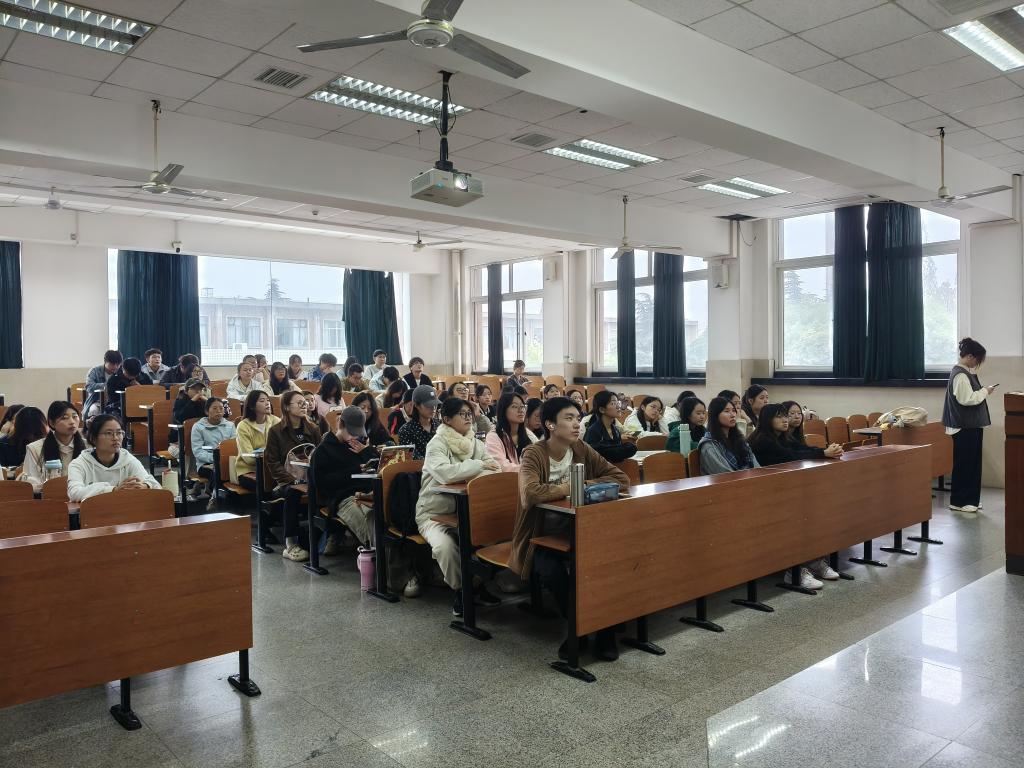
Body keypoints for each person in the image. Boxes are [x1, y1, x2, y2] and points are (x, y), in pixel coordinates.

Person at [509, 397, 630, 661]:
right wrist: (570, 487)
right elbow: (530, 494)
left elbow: (621, 479)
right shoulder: (534, 453)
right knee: (552, 571)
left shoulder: (581, 448)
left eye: (578, 418)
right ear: (550, 425)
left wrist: (584, 484)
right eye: (569, 418)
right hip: (541, 536)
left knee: (606, 564)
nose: (576, 424)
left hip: (583, 531)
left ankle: (605, 632)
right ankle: (579, 628)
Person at [415, 397, 501, 616]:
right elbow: (445, 473)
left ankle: (477, 584)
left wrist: (469, 470)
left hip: (467, 512)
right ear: (446, 419)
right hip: (433, 514)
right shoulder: (436, 444)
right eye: (462, 414)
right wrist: (478, 465)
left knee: (493, 536)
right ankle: (462, 590)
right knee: (445, 547)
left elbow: (495, 470)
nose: (468, 418)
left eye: (469, 413)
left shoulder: (475, 443)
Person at [748, 403, 842, 587]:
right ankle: (795, 570)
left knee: (814, 510)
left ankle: (813, 561)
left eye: (785, 416)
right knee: (799, 517)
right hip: (764, 495)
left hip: (783, 490)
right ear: (767, 420)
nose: (785, 420)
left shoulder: (782, 437)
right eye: (779, 416)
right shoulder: (762, 440)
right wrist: (824, 453)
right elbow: (790, 456)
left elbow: (801, 449)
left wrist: (825, 452)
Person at [264, 390, 322, 562]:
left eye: (305, 402)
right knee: (292, 492)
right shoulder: (276, 431)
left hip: (310, 478)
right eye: (299, 403)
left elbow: (320, 456)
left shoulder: (313, 429)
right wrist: (293, 480)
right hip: (286, 482)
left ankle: (328, 536)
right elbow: (272, 463)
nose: (304, 406)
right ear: (287, 407)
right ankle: (290, 543)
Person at [311, 405, 377, 549]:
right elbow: (322, 482)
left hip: (368, 494)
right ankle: (377, 556)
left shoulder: (358, 446)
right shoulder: (323, 450)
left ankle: (386, 557)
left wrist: (366, 451)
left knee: (382, 518)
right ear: (340, 424)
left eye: (357, 433)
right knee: (370, 527)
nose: (355, 437)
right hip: (344, 498)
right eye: (352, 432)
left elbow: (377, 467)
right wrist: (354, 471)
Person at [943, 337, 996, 514]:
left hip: (970, 426)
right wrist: (985, 391)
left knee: (972, 464)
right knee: (965, 465)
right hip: (964, 427)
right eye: (978, 360)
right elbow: (967, 399)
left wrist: (983, 391)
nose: (977, 364)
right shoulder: (960, 375)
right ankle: (959, 501)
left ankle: (970, 499)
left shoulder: (964, 373)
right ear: (970, 356)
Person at [67, 415, 161, 501]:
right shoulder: (79, 464)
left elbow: (155, 484)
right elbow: (74, 493)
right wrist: (113, 490)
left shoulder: (127, 459)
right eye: (109, 433)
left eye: (119, 433)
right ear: (93, 438)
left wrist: (144, 486)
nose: (116, 438)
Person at [19, 401, 86, 492]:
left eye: (75, 416)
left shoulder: (88, 447)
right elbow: (31, 483)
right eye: (64, 418)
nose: (72, 422)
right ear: (51, 423)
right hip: (48, 498)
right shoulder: (35, 448)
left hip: (82, 497)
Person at [698, 396, 759, 475]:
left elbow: (756, 466)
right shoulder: (709, 445)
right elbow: (724, 474)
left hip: (747, 479)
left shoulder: (739, 439)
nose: (732, 415)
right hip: (727, 482)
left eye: (733, 410)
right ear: (715, 415)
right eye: (726, 411)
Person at [232, 390, 280, 481]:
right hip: (249, 471)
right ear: (251, 406)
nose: (267, 403)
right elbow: (249, 458)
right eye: (262, 401)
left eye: (268, 400)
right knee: (269, 483)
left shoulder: (276, 421)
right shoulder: (243, 426)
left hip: (271, 469)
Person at [485, 391, 536, 471]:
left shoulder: (527, 433)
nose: (521, 410)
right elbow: (502, 466)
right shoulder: (493, 436)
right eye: (514, 407)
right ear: (503, 410)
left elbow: (541, 455)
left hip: (529, 477)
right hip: (508, 478)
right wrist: (532, 469)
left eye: (522, 406)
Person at [583, 390, 638, 464]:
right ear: (602, 409)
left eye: (618, 403)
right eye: (613, 403)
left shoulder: (615, 430)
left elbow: (616, 455)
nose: (618, 406)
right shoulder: (593, 431)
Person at [191, 397, 236, 483]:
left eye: (221, 408)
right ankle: (217, 491)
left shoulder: (230, 425)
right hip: (205, 464)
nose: (218, 411)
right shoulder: (198, 427)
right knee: (218, 472)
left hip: (227, 461)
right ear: (207, 411)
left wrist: (224, 460)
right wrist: (216, 459)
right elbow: (198, 451)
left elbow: (233, 446)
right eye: (215, 408)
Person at [397, 385, 439, 459]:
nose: (433, 408)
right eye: (428, 405)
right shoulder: (406, 430)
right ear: (416, 405)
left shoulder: (439, 425)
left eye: (435, 404)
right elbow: (413, 458)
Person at [170, 378, 208, 454]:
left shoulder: (202, 401)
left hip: (201, 437)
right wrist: (192, 401)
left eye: (200, 389)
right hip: (181, 438)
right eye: (195, 389)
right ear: (187, 390)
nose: (198, 392)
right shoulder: (180, 400)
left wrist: (208, 402)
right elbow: (180, 417)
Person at [84, 350, 123, 417]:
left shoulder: (121, 372)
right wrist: (107, 385)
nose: (115, 367)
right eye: (112, 364)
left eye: (118, 364)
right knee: (94, 411)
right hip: (97, 401)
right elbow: (89, 387)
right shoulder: (95, 371)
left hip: (116, 402)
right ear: (105, 361)